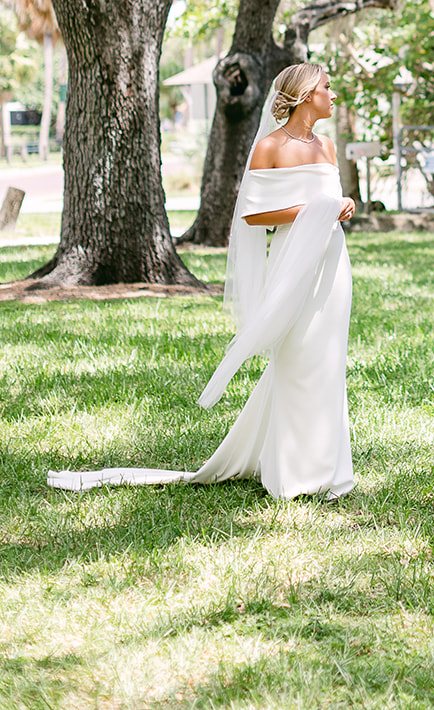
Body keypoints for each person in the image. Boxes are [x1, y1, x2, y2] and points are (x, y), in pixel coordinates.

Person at [48, 63, 358, 500]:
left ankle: (330, 468)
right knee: (296, 356)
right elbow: (253, 215)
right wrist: (315, 209)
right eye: (327, 87)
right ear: (307, 95)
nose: (333, 94)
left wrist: (341, 207)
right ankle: (294, 472)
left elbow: (333, 201)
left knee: (328, 359)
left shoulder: (326, 145)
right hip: (292, 261)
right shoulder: (269, 146)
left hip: (332, 262)